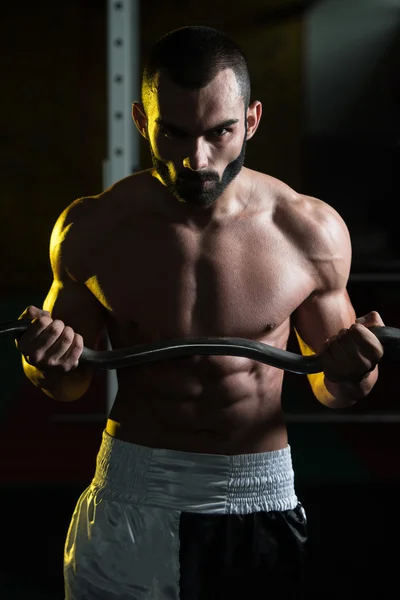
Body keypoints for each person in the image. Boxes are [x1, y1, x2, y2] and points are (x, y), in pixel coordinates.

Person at [17, 26, 384, 600]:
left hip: (257, 492)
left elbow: (339, 391)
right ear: (143, 121)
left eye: (220, 133)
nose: (197, 159)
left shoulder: (307, 229)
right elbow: (63, 386)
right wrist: (46, 361)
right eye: (175, 133)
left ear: (252, 120)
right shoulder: (94, 229)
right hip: (135, 487)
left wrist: (353, 368)